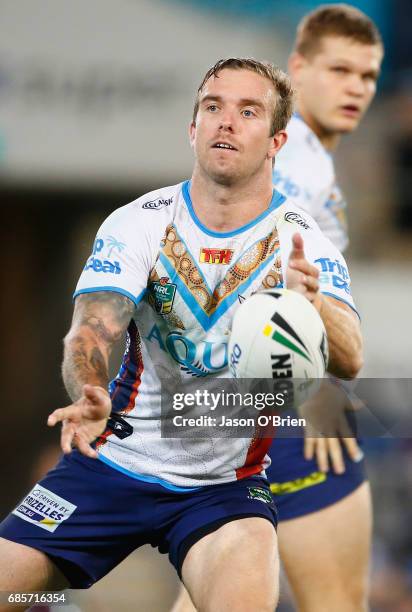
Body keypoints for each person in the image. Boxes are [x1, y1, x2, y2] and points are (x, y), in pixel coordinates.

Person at [0, 57, 362, 612]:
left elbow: (352, 357)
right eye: (212, 107)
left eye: (248, 111)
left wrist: (313, 305)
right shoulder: (140, 222)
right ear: (193, 128)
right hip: (112, 463)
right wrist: (90, 391)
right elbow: (91, 331)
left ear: (276, 141)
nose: (225, 122)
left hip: (224, 491)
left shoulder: (302, 244)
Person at [172, 6, 383, 612]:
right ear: (298, 69)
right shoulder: (291, 163)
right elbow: (247, 275)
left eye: (368, 76)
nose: (356, 88)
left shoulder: (306, 160)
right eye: (339, 69)